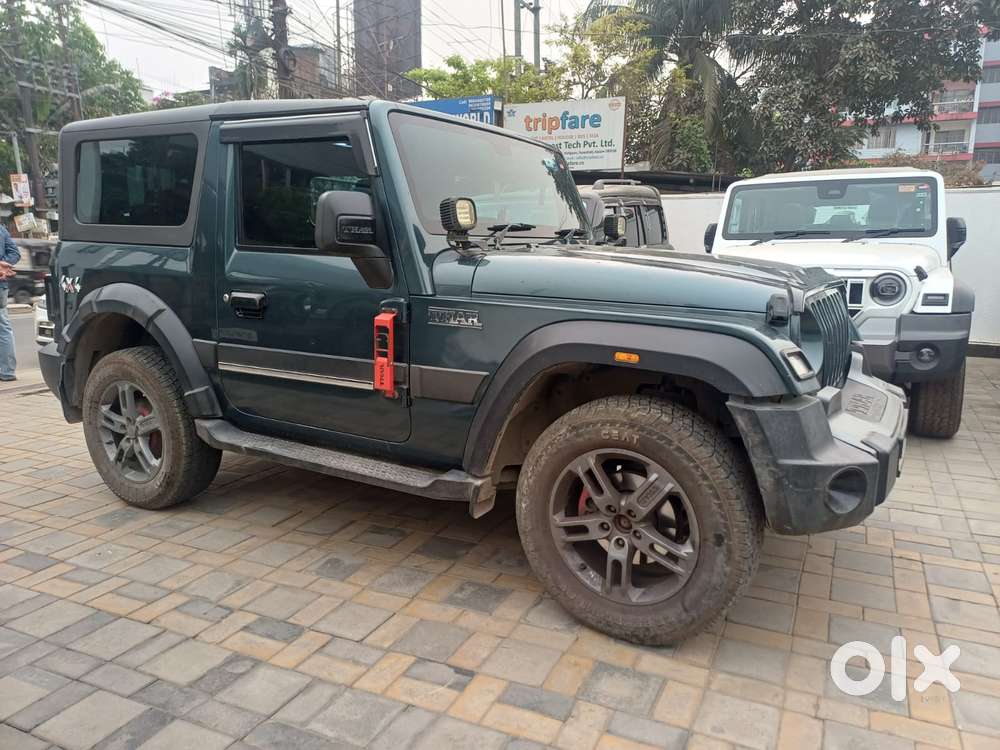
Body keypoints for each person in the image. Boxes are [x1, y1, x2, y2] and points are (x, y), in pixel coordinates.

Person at [0, 223, 21, 381]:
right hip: (1, 286)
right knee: (3, 328)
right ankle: (7, 371)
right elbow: (15, 253)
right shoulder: (1, 229)